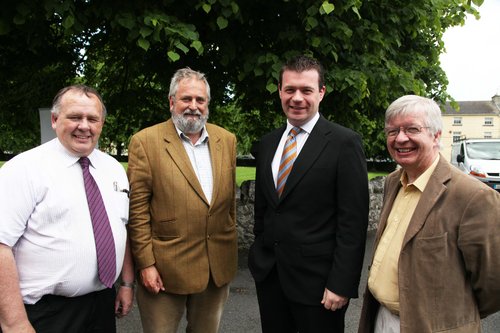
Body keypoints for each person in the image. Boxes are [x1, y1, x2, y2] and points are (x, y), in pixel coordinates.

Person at [248, 55, 369, 333]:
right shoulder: (267, 144)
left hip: (320, 286)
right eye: (290, 90)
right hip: (271, 278)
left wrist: (341, 284)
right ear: (280, 91)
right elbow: (265, 210)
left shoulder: (344, 143)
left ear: (321, 92)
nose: (297, 98)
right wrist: (259, 254)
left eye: (306, 90)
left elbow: (353, 222)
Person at [358, 95, 500, 333]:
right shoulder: (394, 182)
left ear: (436, 136)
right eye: (392, 131)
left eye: (412, 129)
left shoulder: (473, 196)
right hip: (381, 319)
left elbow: (494, 283)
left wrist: (451, 317)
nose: (400, 138)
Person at [0, 85, 135, 333]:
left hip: (102, 304)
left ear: (101, 124)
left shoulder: (114, 169)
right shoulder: (23, 170)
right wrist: (15, 323)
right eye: (74, 117)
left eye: (92, 119)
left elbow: (120, 228)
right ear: (54, 120)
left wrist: (126, 283)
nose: (84, 126)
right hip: (47, 313)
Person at [127, 67, 238, 333]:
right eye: (187, 99)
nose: (194, 106)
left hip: (216, 269)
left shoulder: (227, 139)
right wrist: (146, 264)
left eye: (200, 100)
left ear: (208, 104)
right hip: (165, 272)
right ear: (172, 101)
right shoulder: (145, 142)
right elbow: (138, 211)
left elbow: (228, 204)